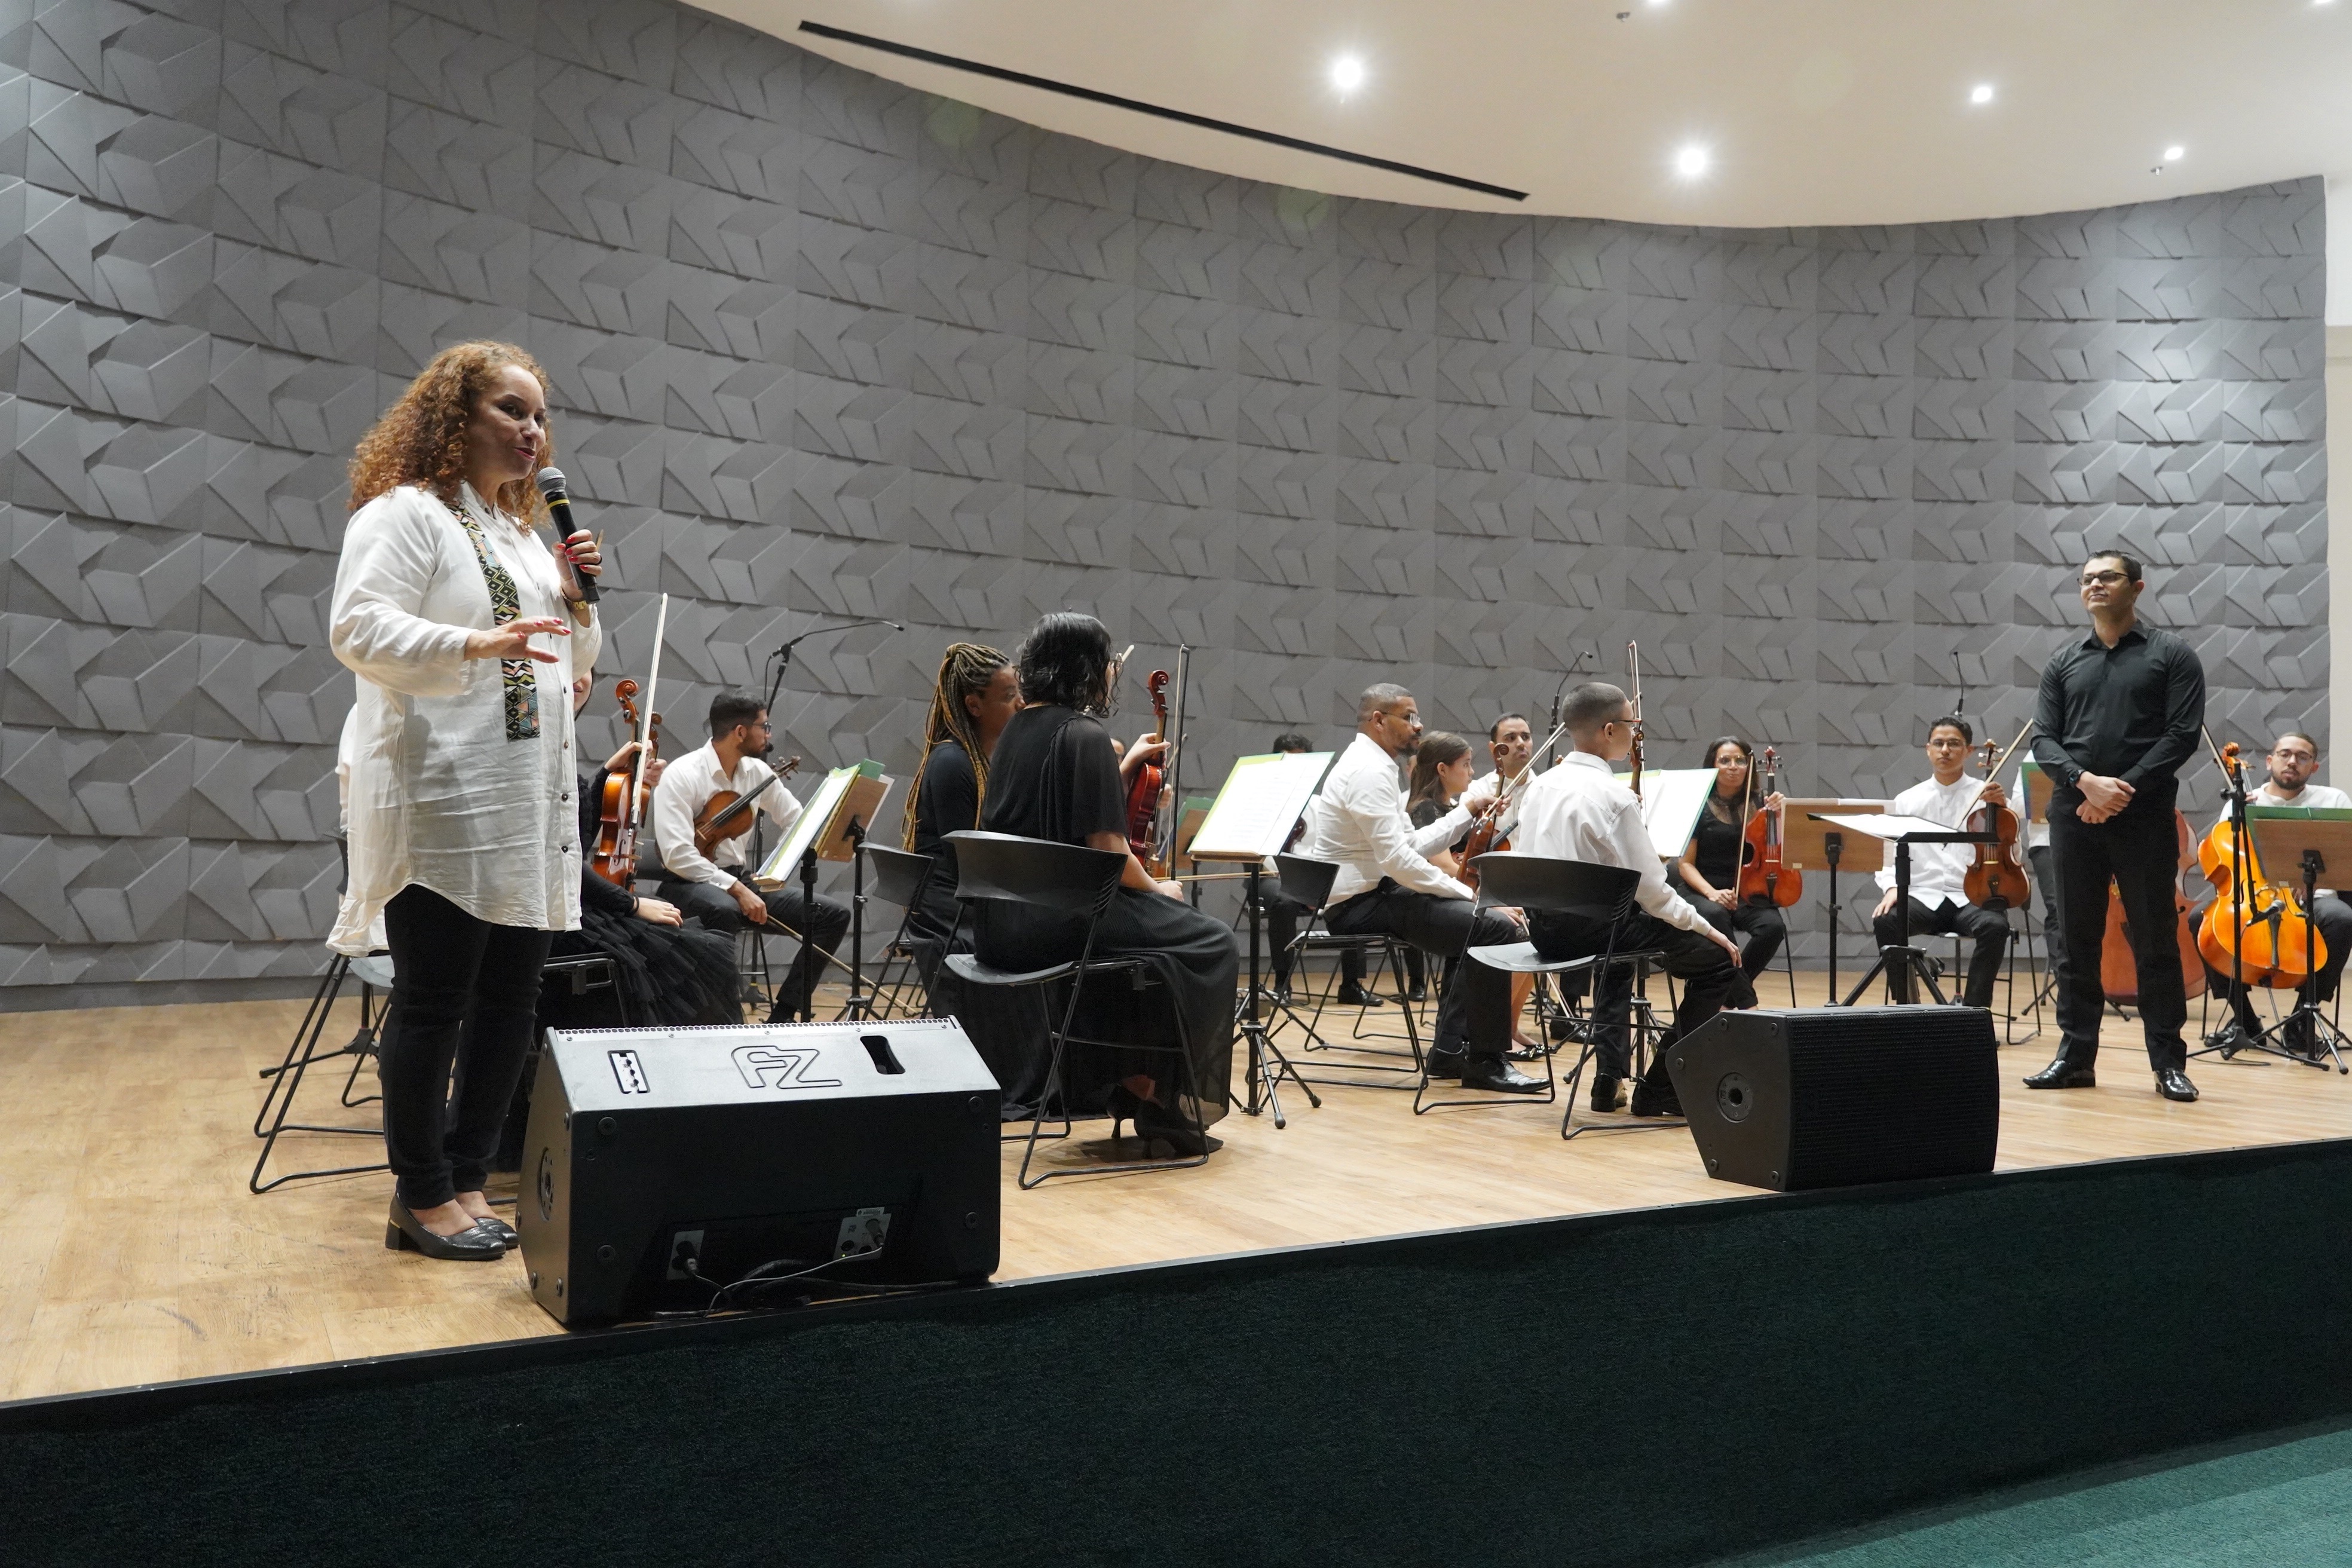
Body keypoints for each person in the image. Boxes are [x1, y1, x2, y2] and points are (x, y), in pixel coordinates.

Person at [329, 340, 602, 1261]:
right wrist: (472, 645)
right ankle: (420, 1194)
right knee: (435, 1001)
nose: (532, 430)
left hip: (525, 802)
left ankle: (470, 1176)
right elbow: (357, 627)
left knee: (512, 1005)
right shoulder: (406, 513)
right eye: (511, 410)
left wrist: (578, 602)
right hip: (443, 793)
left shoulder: (521, 536)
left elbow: (570, 663)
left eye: (540, 416)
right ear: (455, 415)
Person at [973, 613, 1239, 1153]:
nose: (1114, 670)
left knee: (1150, 951)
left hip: (1002, 927)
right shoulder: (1084, 733)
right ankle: (1168, 1101)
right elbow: (1109, 851)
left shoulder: (1017, 730)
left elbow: (1051, 821)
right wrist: (1160, 890)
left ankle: (1133, 1082)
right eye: (1108, 660)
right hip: (1062, 922)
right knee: (1210, 941)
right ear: (1085, 666)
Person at [1501, 683, 1751, 1116]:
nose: (1637, 732)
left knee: (1618, 944)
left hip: (1545, 933)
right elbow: (1655, 894)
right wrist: (1710, 930)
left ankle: (1608, 1078)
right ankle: (1661, 1088)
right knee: (1717, 962)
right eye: (1633, 723)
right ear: (1610, 730)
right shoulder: (1614, 797)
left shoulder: (1542, 785)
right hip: (1594, 934)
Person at [2026, 550, 2207, 1101]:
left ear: (2137, 587)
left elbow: (2181, 737)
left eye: (2107, 576)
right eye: (2087, 579)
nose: (2095, 585)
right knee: (2075, 941)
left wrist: (2118, 791)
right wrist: (2085, 783)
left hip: (2144, 816)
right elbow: (2043, 739)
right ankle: (2075, 1058)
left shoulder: (2172, 655)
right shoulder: (2064, 662)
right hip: (2075, 813)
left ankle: (2168, 1063)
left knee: (2155, 940)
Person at [1295, 684, 1539, 1092]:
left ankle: (1450, 1051)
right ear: (1378, 720)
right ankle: (1485, 1061)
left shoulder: (1377, 766)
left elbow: (1410, 845)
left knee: (1479, 928)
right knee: (1495, 928)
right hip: (1360, 904)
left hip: (1375, 894)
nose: (1418, 725)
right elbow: (1397, 861)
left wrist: (1466, 812)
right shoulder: (1368, 772)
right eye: (1409, 717)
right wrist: (1473, 897)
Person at [650, 693, 851, 1019]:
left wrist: (774, 871)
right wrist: (737, 889)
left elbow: (796, 821)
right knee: (724, 909)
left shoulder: (757, 772)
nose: (769, 734)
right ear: (741, 732)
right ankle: (727, 1020)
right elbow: (677, 855)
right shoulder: (683, 774)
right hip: (686, 884)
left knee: (832, 915)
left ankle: (784, 1014)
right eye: (764, 727)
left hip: (740, 881)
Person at [557, 673, 740, 1028]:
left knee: (696, 948)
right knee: (700, 956)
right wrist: (633, 904)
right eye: (571, 663)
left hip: (575, 907)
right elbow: (562, 862)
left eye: (587, 666)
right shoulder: (539, 747)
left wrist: (609, 777)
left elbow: (577, 838)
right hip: (559, 920)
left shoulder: (562, 746)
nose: (580, 677)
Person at [2206, 730, 2352, 1056]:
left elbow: (2345, 856)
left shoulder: (2333, 800)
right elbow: (2227, 859)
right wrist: (2241, 819)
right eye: (2285, 754)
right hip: (2256, 898)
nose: (2292, 761)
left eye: (2303, 757)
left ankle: (2302, 1020)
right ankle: (2244, 1020)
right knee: (2203, 923)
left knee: (2342, 918)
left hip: (2314, 900)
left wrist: (2314, 878)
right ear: (2270, 761)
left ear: (2314, 767)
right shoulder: (2241, 804)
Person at [1867, 717, 2014, 1010]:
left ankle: (1973, 1013)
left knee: (1996, 926)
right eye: (1939, 743)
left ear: (1969, 751)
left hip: (1970, 897)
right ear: (1928, 749)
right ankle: (1907, 1007)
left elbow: (2011, 851)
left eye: (1954, 744)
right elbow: (1888, 853)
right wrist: (1892, 887)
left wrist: (2003, 810)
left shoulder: (1988, 798)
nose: (1945, 750)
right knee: (1886, 920)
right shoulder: (1907, 800)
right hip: (1923, 896)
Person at [902, 642, 1020, 957]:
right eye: (1009, 696)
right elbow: (966, 865)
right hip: (947, 914)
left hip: (968, 903)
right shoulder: (952, 763)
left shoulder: (989, 760)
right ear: (974, 705)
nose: (1021, 703)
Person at [1671, 737, 1788, 982]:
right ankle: (1742, 996)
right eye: (1725, 761)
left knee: (1773, 927)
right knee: (1716, 915)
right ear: (1713, 766)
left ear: (1749, 766)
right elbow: (1685, 864)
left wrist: (1780, 814)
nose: (1733, 767)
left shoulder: (1763, 804)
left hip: (1747, 891)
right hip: (1703, 890)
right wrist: (1712, 893)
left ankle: (1732, 991)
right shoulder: (1698, 805)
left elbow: (1780, 847)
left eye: (1740, 761)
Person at [1399, 730, 1476, 1001]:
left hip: (1448, 893)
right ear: (1443, 770)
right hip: (1430, 898)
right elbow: (1444, 865)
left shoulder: (1449, 807)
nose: (1472, 772)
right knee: (1490, 925)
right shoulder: (1426, 808)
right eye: (1466, 764)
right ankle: (1461, 1014)